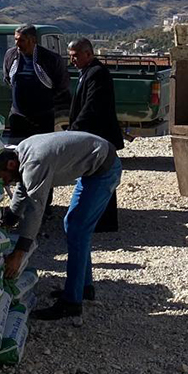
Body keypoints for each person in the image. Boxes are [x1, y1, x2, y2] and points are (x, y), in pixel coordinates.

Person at [0, 132, 121, 321]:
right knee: (73, 226)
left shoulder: (34, 162)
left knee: (77, 230)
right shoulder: (22, 152)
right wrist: (10, 219)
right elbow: (24, 188)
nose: (3, 182)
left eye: (2, 177)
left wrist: (19, 253)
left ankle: (72, 303)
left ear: (11, 165)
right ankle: (84, 288)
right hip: (92, 167)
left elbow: (35, 209)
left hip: (103, 169)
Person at [67, 37, 123, 233]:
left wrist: (74, 130)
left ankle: (105, 221)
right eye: (70, 57)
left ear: (88, 54)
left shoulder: (97, 73)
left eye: (75, 56)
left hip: (100, 135)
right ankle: (99, 218)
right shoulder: (86, 73)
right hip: (92, 135)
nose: (72, 60)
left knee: (103, 175)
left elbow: (92, 106)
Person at [3, 24, 70, 139]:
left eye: (22, 40)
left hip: (43, 119)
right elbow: (7, 79)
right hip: (18, 117)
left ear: (33, 40)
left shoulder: (51, 59)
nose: (17, 44)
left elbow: (62, 87)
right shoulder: (11, 55)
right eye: (16, 39)